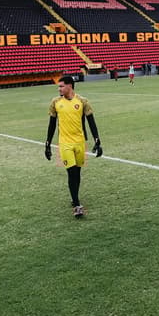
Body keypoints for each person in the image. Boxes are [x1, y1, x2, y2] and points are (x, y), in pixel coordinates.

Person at [45, 76, 102, 218]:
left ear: (70, 86)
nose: (59, 89)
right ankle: (77, 205)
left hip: (80, 142)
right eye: (58, 87)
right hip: (64, 143)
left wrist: (97, 140)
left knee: (77, 173)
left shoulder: (82, 101)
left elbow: (91, 122)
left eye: (61, 86)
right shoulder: (55, 102)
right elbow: (51, 125)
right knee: (71, 172)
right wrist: (47, 144)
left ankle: (74, 196)